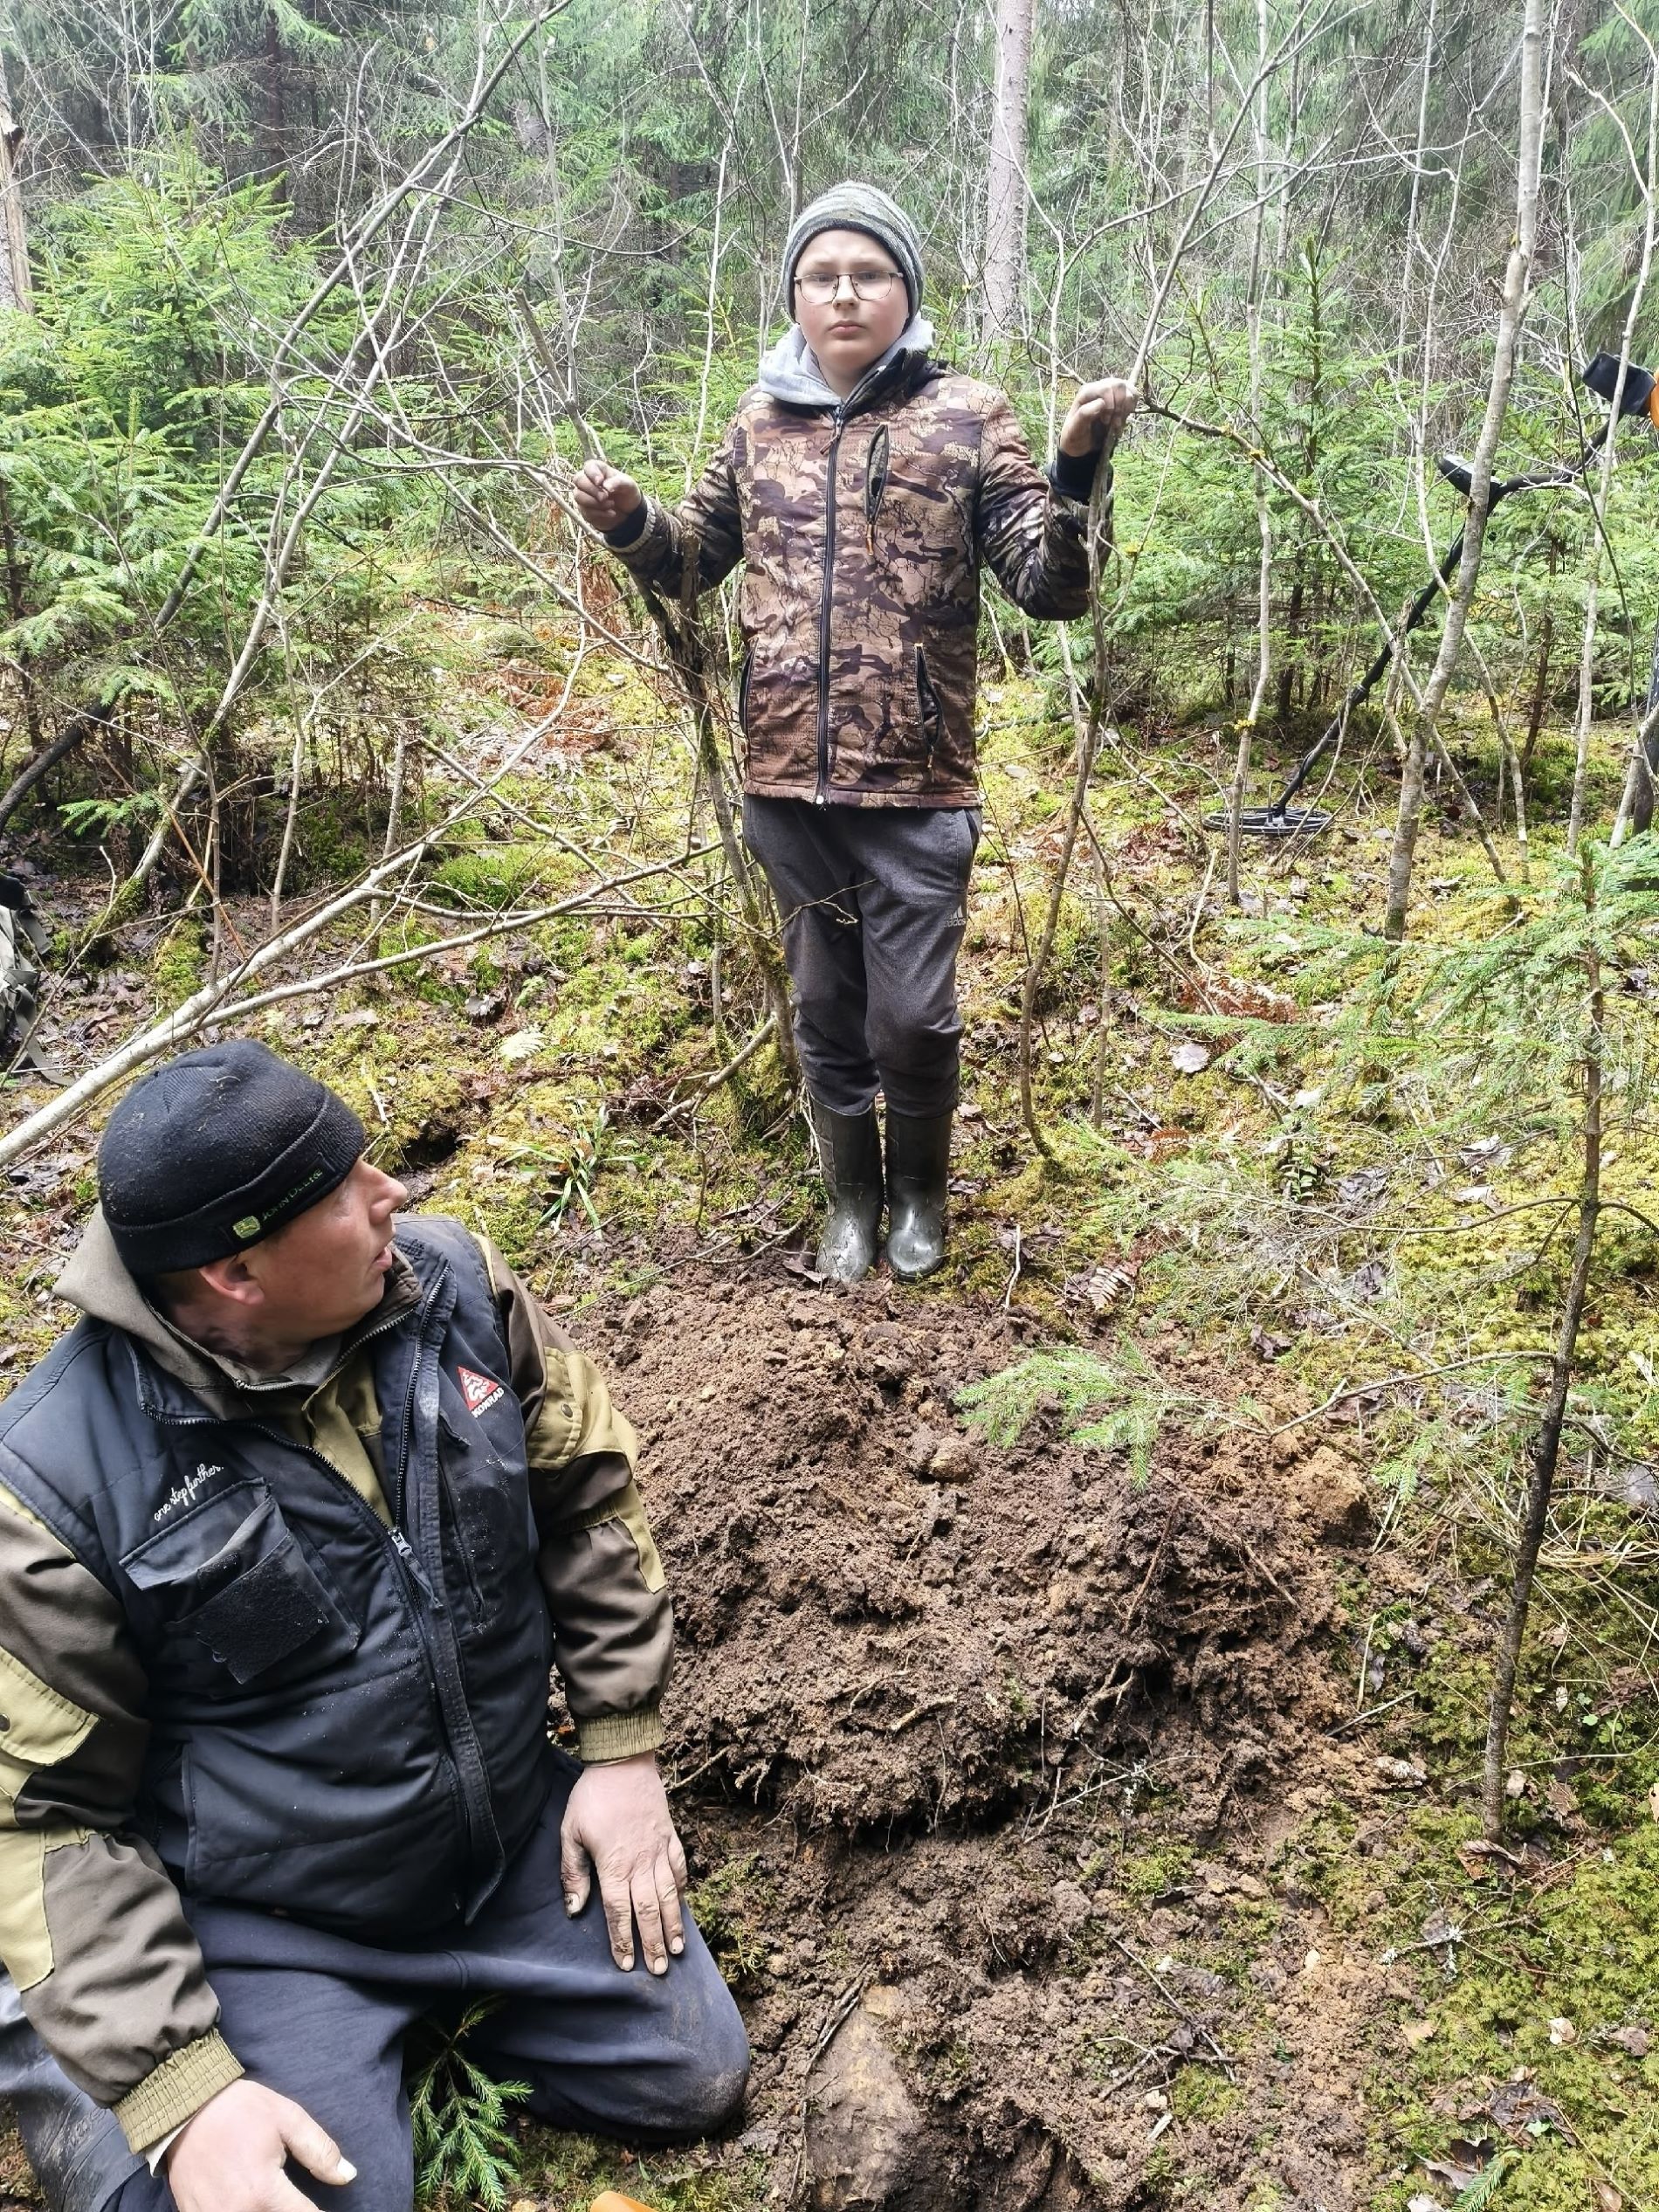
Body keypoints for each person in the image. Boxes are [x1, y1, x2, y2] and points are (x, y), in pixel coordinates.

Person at [0, 1040, 748, 2212]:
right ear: (238, 1273)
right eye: (345, 1189)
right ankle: (70, 2061)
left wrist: (621, 1746)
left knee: (693, 2074)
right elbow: (40, 1823)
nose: (392, 1192)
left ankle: (405, 2025)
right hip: (269, 1916)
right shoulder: (58, 1484)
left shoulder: (454, 1289)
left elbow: (588, 1495)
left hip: (503, 1846)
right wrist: (184, 2089)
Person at [574, 180, 1137, 1284]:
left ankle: (921, 1195)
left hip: (919, 784)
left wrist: (1076, 464)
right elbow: (694, 566)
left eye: (867, 273)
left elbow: (1051, 585)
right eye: (821, 275)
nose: (843, 294)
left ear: (905, 291)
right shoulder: (756, 421)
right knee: (826, 1014)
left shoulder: (968, 414)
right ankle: (850, 1202)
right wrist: (633, 524)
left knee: (914, 1023)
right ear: (793, 294)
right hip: (785, 781)